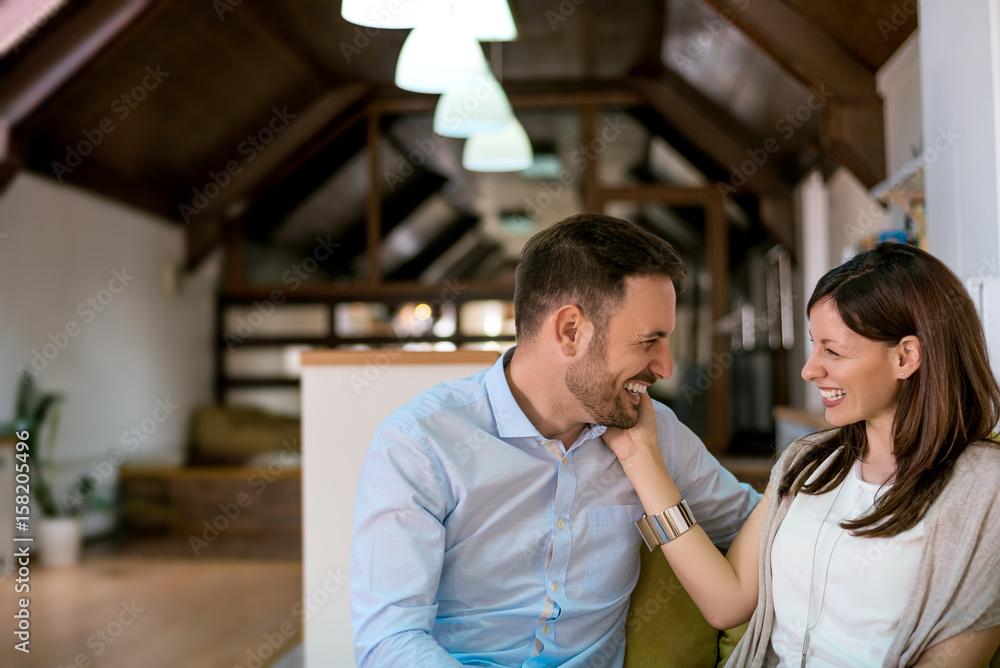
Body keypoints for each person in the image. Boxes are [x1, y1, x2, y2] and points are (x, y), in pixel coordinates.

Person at [350, 214, 762, 667]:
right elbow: (389, 640)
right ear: (571, 331)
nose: (664, 367)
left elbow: (759, 525)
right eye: (649, 341)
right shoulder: (420, 444)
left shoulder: (653, 434)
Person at [605, 241, 1000, 667]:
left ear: (906, 357)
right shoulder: (807, 461)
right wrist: (639, 456)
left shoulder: (984, 488)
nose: (809, 370)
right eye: (814, 346)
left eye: (832, 350)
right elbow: (726, 601)